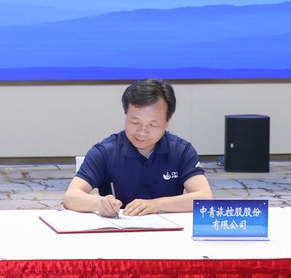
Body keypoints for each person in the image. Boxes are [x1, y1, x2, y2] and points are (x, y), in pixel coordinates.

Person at [63, 78, 213, 216]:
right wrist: (99, 203)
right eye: (135, 122)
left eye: (152, 124)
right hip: (119, 231)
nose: (142, 132)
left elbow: (205, 197)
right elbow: (71, 197)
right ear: (125, 115)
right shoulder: (105, 152)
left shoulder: (181, 151)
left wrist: (156, 204)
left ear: (167, 121)